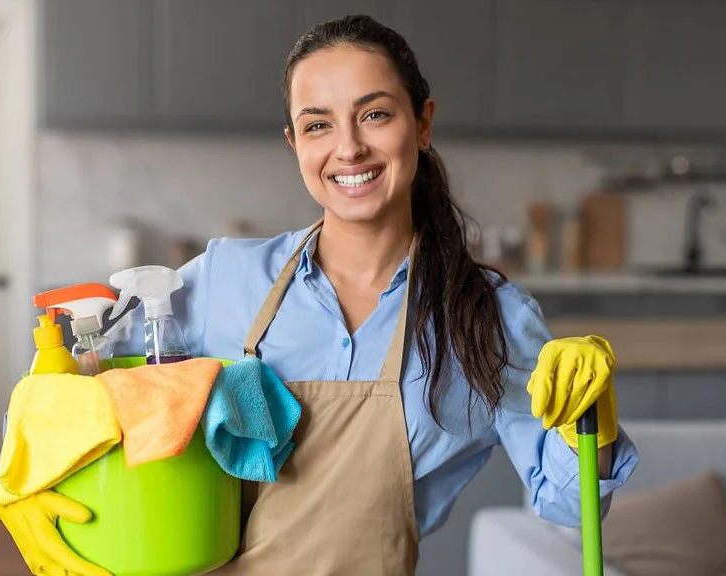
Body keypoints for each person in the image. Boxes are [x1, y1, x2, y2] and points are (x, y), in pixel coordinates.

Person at [125, 13, 637, 575]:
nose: (349, 148)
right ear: (295, 143)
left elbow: (570, 506)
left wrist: (592, 418)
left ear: (422, 123)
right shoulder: (225, 280)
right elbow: (92, 391)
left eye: (374, 115)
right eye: (318, 125)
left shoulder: (488, 319)